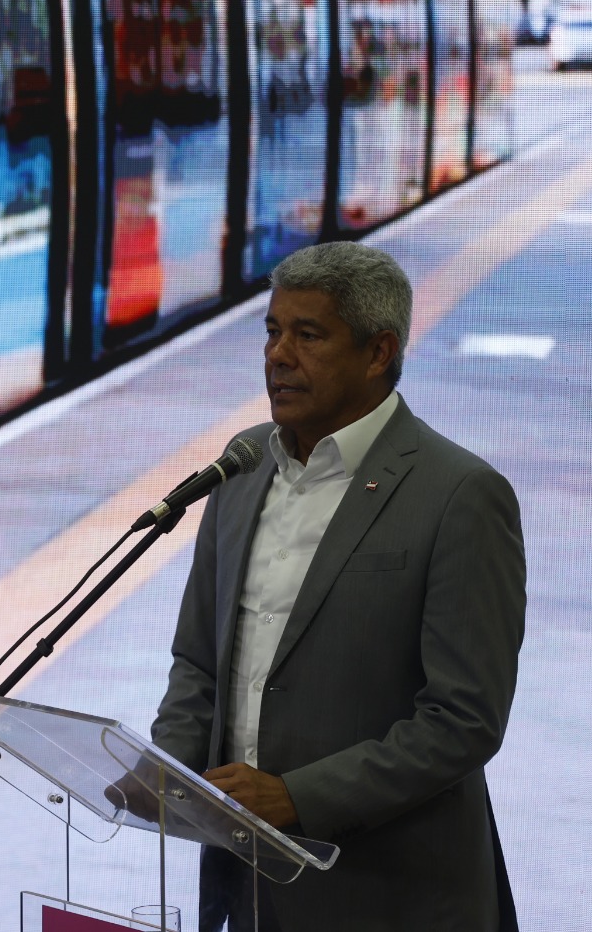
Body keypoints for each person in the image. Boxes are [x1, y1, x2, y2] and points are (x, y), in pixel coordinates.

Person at [151, 242, 526, 932]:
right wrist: (167, 770)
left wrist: (298, 797)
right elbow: (199, 660)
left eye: (308, 335)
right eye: (272, 331)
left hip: (389, 898)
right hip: (247, 890)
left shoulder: (461, 495)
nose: (278, 355)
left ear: (378, 352)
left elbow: (463, 720)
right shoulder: (241, 469)